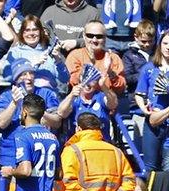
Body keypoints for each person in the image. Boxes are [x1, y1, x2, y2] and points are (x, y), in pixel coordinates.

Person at [61, 113, 136, 191]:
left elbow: (68, 184)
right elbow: (130, 182)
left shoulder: (72, 151)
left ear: (78, 128)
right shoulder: (116, 152)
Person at [3, 15, 69, 92]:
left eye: (35, 30)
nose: (31, 33)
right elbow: (7, 76)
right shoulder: (16, 52)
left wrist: (58, 60)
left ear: (41, 32)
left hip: (49, 96)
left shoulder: (50, 50)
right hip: (26, 97)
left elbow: (65, 79)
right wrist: (33, 64)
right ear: (22, 33)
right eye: (27, 30)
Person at [134, 30, 169, 172]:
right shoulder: (149, 68)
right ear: (160, 45)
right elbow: (139, 94)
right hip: (153, 123)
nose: (168, 47)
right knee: (150, 167)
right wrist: (144, 110)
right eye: (165, 43)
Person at [65, 20, 127, 95]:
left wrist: (111, 73)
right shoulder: (75, 55)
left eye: (99, 36)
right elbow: (74, 82)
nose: (94, 40)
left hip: (106, 101)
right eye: (90, 36)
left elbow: (121, 88)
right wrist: (90, 65)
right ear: (84, 36)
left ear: (105, 38)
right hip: (81, 101)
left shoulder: (113, 58)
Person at [57, 71, 118, 140]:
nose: (88, 83)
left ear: (97, 82)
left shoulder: (100, 97)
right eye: (86, 78)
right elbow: (61, 113)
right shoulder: (74, 99)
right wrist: (71, 95)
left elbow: (113, 104)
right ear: (80, 79)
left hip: (101, 143)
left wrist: (104, 87)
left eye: (93, 80)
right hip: (78, 145)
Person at [123, 19, 155, 111]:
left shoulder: (158, 53)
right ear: (136, 37)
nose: (147, 44)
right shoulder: (129, 55)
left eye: (150, 41)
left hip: (156, 101)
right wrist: (145, 74)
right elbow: (127, 78)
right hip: (136, 102)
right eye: (143, 41)